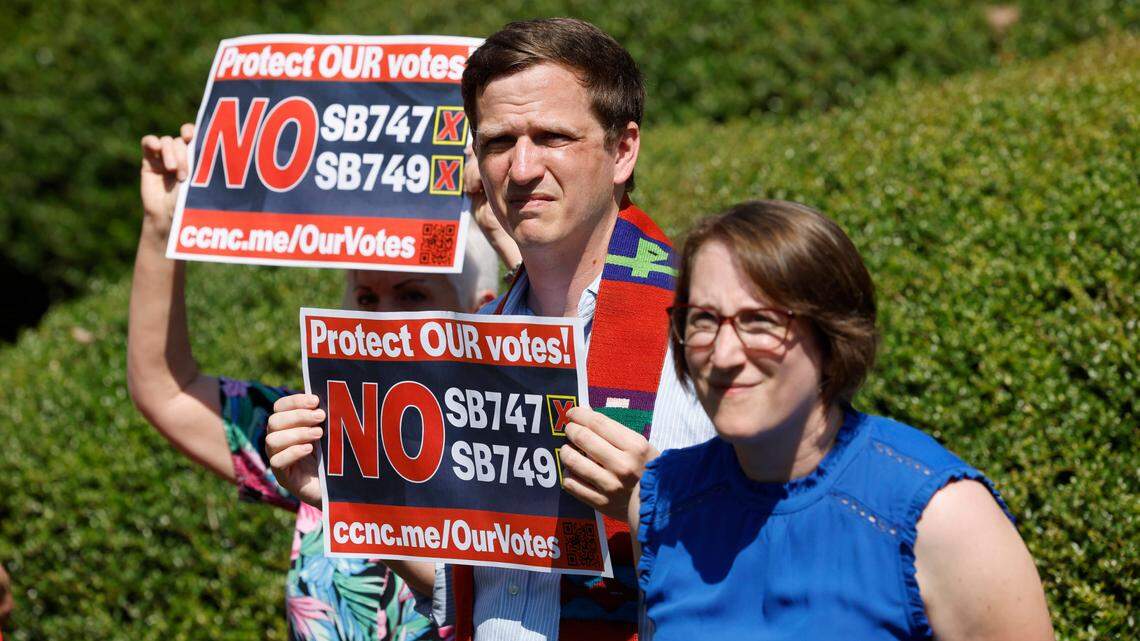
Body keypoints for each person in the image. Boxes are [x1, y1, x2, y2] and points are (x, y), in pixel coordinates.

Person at [266, 18, 716, 641]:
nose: (522, 168)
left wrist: (651, 507)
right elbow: (478, 595)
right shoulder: (475, 341)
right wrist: (344, 493)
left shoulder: (708, 324)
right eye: (499, 141)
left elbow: (787, 551)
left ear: (623, 150)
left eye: (552, 136)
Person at [128, 124, 511, 641]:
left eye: (413, 295)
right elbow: (167, 390)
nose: (383, 318)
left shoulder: (514, 444)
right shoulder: (313, 431)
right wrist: (161, 227)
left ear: (480, 311)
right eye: (367, 298)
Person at [632, 200, 1055, 640]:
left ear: (832, 336)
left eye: (760, 322)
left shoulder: (941, 519)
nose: (723, 355)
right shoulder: (666, 503)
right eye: (703, 320)